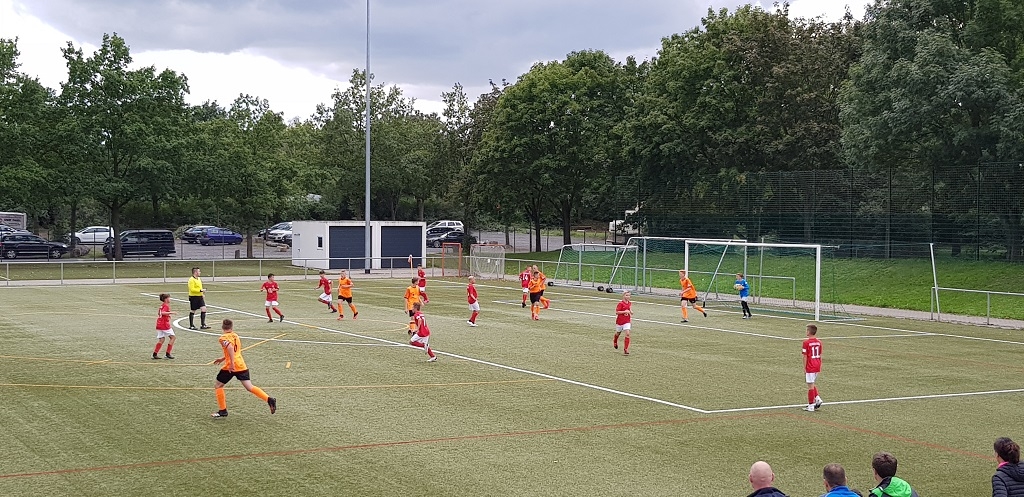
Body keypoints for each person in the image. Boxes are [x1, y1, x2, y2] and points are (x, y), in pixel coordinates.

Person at [211, 319, 277, 418]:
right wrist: (223, 358)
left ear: (222, 327)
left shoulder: (223, 338)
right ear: (231, 327)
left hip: (230, 366)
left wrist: (231, 363)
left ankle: (223, 410)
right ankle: (269, 399)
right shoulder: (235, 336)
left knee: (218, 385)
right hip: (241, 364)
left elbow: (230, 348)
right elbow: (234, 351)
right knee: (249, 387)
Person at [802, 324, 824, 412]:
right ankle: (818, 398)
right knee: (812, 383)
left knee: (810, 386)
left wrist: (805, 367)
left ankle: (811, 405)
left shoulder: (806, 343)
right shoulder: (819, 342)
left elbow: (805, 356)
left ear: (809, 332)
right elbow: (820, 354)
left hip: (810, 365)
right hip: (817, 364)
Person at [153, 293, 176, 359]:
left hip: (159, 324)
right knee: (173, 338)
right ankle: (168, 353)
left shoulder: (162, 305)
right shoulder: (166, 306)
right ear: (166, 299)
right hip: (164, 324)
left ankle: (155, 353)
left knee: (162, 339)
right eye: (169, 298)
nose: (170, 299)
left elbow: (159, 313)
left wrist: (167, 316)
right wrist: (171, 313)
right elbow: (162, 312)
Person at [613, 290, 632, 355]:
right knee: (618, 333)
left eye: (629, 295)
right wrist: (624, 312)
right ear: (623, 296)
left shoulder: (629, 303)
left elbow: (629, 308)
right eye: (626, 295)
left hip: (627, 321)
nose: (628, 297)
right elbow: (617, 312)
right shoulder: (620, 304)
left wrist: (631, 311)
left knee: (627, 333)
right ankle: (615, 341)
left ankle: (626, 349)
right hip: (620, 321)